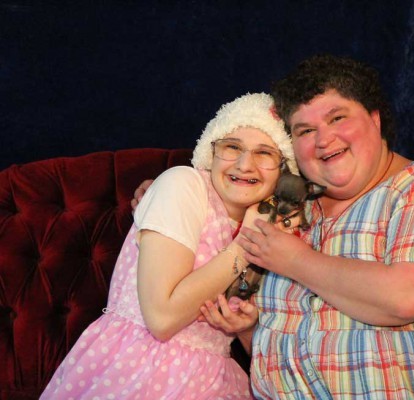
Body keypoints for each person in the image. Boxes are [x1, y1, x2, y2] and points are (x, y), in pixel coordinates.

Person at [204, 54, 414, 399]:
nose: (323, 139)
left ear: (375, 119)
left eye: (337, 118)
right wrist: (249, 330)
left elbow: (406, 298)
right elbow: (288, 344)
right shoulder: (290, 209)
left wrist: (295, 260)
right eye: (305, 130)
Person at [41, 92, 299, 400]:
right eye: (232, 147)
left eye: (265, 153)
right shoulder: (183, 185)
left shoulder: (277, 229)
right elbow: (161, 319)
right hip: (139, 369)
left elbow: (272, 360)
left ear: (284, 170)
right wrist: (246, 245)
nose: (245, 165)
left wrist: (245, 328)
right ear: (211, 152)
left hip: (215, 379)